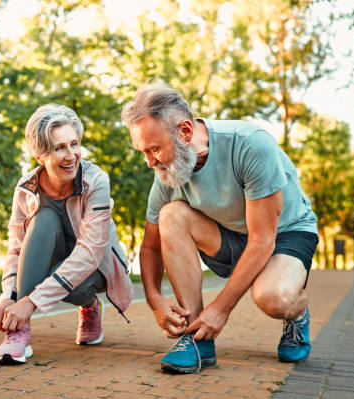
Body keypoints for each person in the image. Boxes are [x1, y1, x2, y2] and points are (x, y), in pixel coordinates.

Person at [121, 82, 318, 374]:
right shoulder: (166, 173)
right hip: (230, 235)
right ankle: (197, 339)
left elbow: (263, 239)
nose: (150, 162)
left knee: (273, 297)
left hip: (284, 233)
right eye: (143, 151)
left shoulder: (250, 144)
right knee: (171, 214)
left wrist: (220, 309)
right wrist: (154, 299)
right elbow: (150, 245)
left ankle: (297, 313)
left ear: (185, 131)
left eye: (154, 149)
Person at [0, 104, 133, 365]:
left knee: (74, 281)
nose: (71, 155)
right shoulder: (25, 189)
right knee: (43, 218)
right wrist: (8, 298)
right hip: (47, 264)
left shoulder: (96, 181)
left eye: (74, 144)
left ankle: (89, 305)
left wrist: (29, 302)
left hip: (96, 267)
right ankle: (19, 332)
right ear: (40, 156)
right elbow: (17, 249)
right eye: (59, 148)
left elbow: (90, 253)